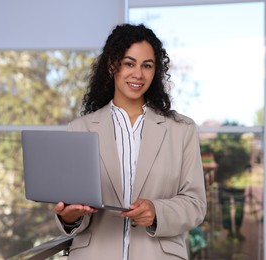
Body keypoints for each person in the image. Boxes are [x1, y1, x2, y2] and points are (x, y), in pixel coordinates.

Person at [54, 23, 207, 260]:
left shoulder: (182, 130)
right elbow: (73, 206)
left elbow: (196, 204)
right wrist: (69, 216)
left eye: (147, 66)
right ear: (112, 65)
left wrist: (157, 211)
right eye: (129, 63)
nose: (138, 74)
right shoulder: (79, 129)